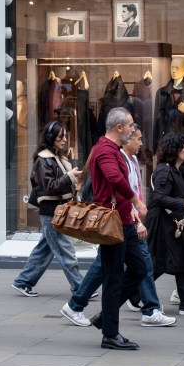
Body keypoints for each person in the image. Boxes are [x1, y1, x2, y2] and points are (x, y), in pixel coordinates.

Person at [62, 108, 147, 350]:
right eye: (130, 125)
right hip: (113, 224)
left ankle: (105, 317)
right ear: (119, 127)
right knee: (113, 278)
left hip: (124, 221)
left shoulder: (112, 149)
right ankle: (110, 334)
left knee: (139, 269)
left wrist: (131, 211)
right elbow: (114, 179)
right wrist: (136, 201)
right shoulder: (106, 150)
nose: (132, 129)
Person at [11, 121, 85, 297]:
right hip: (52, 211)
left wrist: (71, 178)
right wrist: (70, 176)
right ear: (51, 138)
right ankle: (80, 286)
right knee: (65, 250)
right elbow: (50, 186)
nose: (64, 139)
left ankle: (23, 281)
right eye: (61, 136)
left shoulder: (54, 158)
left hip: (55, 210)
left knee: (45, 250)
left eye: (65, 136)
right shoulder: (44, 160)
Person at [145, 133, 184, 316]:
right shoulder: (165, 171)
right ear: (174, 149)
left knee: (177, 260)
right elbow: (159, 198)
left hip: (172, 223)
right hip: (163, 224)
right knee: (166, 261)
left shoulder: (173, 170)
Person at [121, 126, 174, 326]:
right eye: (138, 139)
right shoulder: (120, 160)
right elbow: (122, 193)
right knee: (106, 267)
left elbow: (135, 190)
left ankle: (149, 308)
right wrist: (136, 219)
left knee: (142, 265)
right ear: (127, 140)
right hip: (127, 220)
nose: (141, 143)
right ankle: (150, 308)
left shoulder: (133, 160)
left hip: (135, 219)